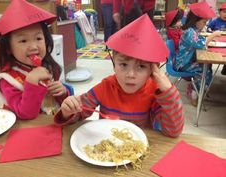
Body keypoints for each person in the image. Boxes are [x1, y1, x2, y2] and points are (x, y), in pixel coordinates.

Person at [54, 14, 184, 138]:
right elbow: (79, 112)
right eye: (123, 65)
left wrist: (169, 93)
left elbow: (172, 132)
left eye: (142, 66)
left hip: (139, 150)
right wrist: (68, 112)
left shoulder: (155, 92)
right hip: (106, 146)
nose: (131, 74)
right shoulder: (105, 87)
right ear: (114, 64)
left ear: (152, 70)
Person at [0, 0, 71, 119]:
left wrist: (62, 92)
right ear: (8, 48)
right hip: (25, 130)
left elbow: (54, 101)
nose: (34, 46)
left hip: (50, 123)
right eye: (23, 41)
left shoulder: (47, 66)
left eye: (38, 38)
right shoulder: (8, 79)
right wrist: (32, 81)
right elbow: (25, 114)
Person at [173, 2, 221, 106]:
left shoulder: (192, 30)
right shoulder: (190, 32)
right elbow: (201, 44)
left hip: (184, 61)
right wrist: (213, 35)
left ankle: (197, 87)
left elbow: (199, 41)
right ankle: (194, 92)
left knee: (208, 65)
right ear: (196, 20)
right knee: (205, 70)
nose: (205, 24)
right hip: (182, 64)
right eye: (204, 22)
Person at [207, 2, 226, 75]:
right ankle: (208, 69)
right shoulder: (215, 21)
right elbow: (208, 29)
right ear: (219, 12)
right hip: (215, 43)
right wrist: (211, 31)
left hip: (225, 44)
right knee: (210, 56)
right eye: (224, 12)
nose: (225, 14)